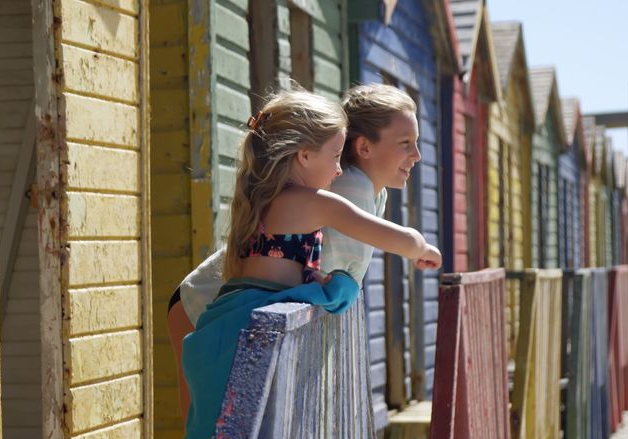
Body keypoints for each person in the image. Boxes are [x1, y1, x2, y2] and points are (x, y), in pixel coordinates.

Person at [139, 87, 440, 439]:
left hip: (219, 324)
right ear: (305, 155)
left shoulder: (265, 198)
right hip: (238, 329)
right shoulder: (325, 200)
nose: (340, 170)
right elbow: (385, 239)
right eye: (334, 156)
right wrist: (422, 247)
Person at [166, 83, 430, 421]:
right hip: (203, 307)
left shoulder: (365, 190)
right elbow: (331, 282)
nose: (417, 155)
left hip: (228, 309)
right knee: (212, 435)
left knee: (211, 438)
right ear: (363, 147)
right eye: (406, 143)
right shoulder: (349, 191)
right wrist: (416, 247)